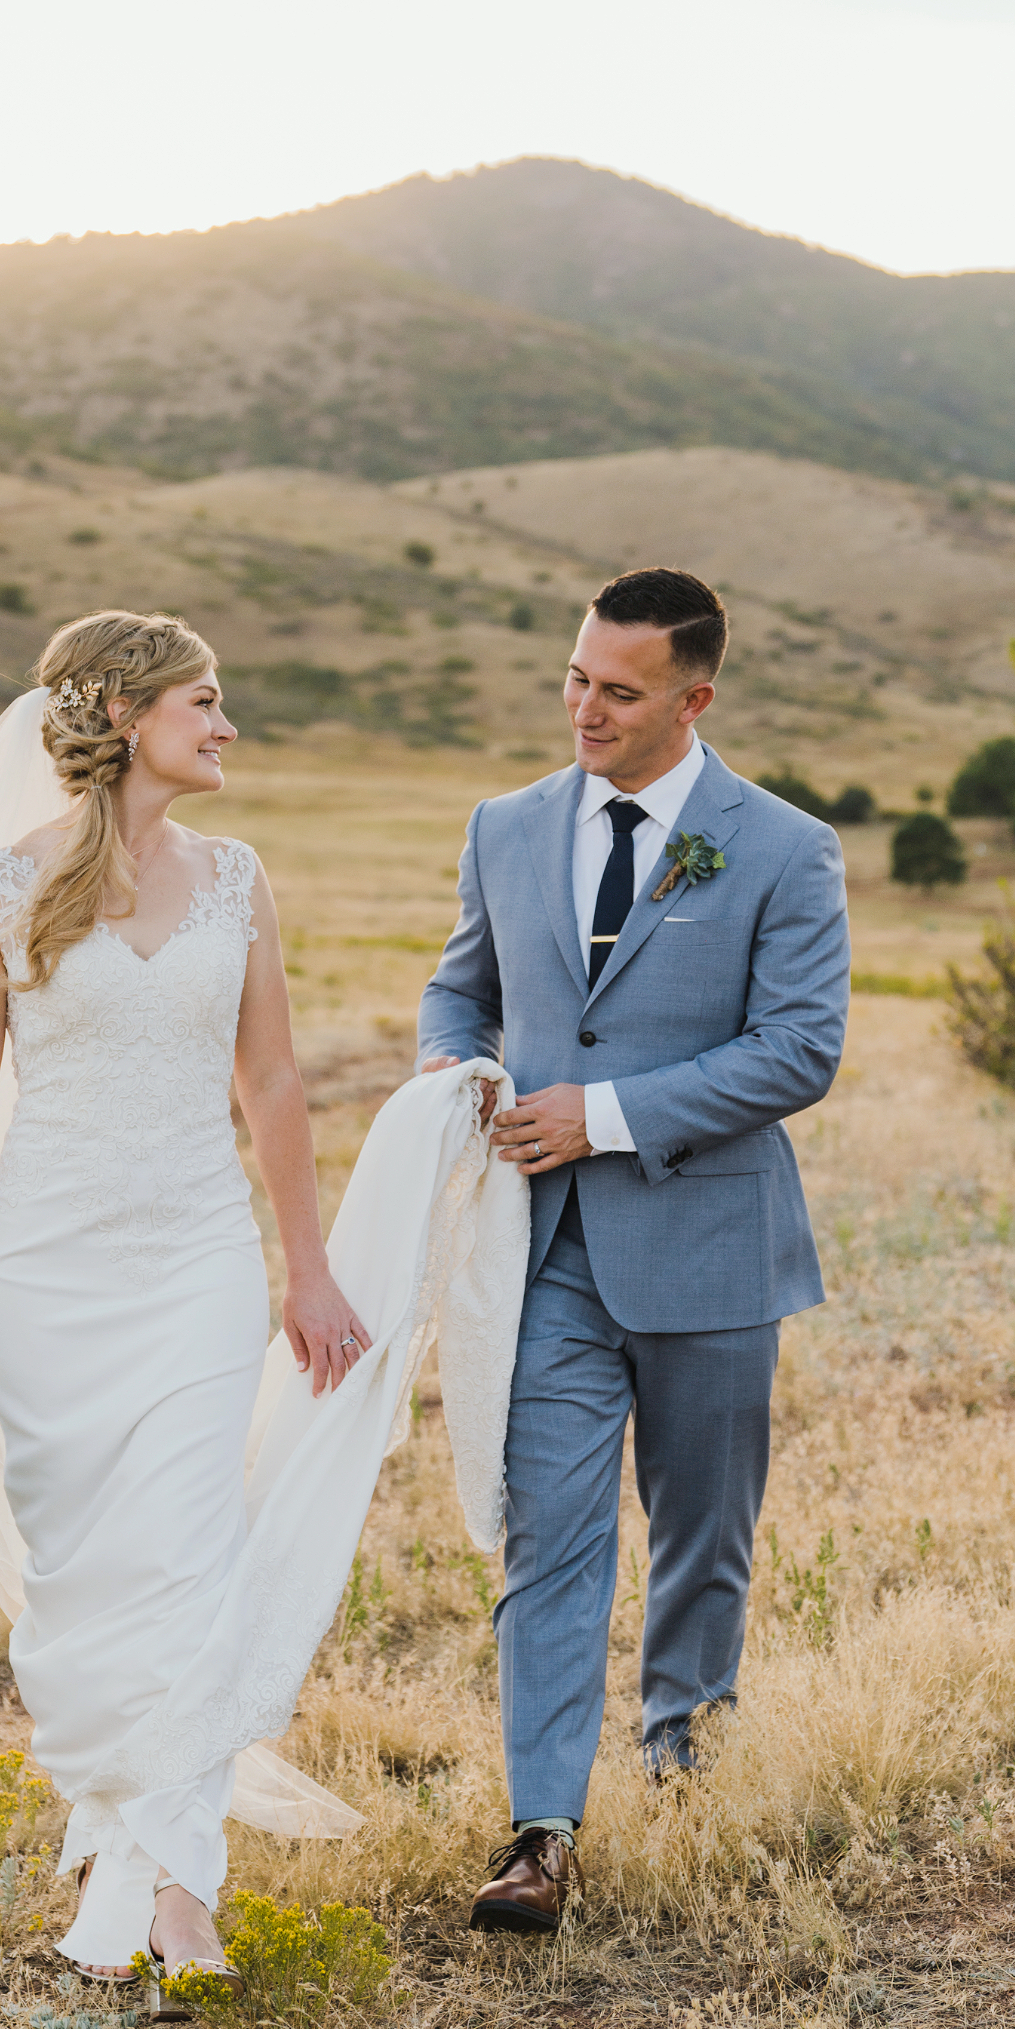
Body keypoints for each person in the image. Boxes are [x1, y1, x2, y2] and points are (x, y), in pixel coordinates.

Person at [0, 610, 374, 1984]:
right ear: (129, 716)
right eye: (205, 701)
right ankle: (116, 1832)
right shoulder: (3, 886)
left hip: (197, 1265)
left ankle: (175, 1885)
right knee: (86, 1587)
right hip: (45, 1275)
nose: (227, 725)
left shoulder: (239, 880)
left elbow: (271, 1086)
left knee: (191, 1570)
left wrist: (305, 1270)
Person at [417, 565, 851, 1933]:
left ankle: (686, 1766)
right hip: (545, 1257)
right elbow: (459, 986)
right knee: (547, 1539)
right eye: (573, 677)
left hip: (711, 1247)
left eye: (618, 689)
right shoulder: (503, 825)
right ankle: (539, 1832)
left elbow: (799, 1050)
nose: (584, 707)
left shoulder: (783, 847)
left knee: (700, 1538)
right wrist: (457, 1075)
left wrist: (598, 1115)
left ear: (692, 697)